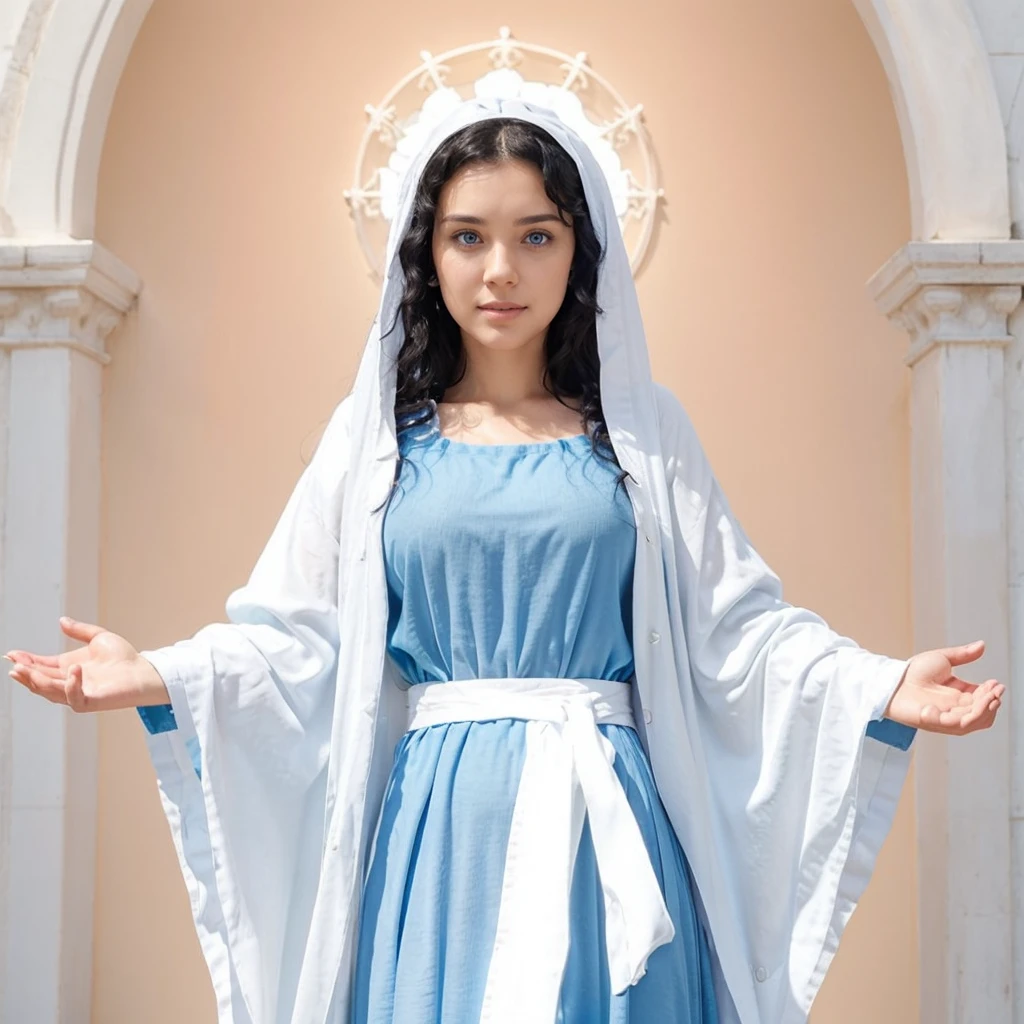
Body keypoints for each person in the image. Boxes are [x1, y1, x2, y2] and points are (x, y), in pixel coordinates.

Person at [5, 99, 1004, 1024]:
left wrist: (876, 684)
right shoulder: (375, 448)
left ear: (580, 251)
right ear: (425, 255)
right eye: (468, 237)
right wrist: (162, 672)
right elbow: (295, 638)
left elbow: (736, 631)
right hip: (442, 836)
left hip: (604, 832)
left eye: (536, 236)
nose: (500, 271)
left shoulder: (643, 437)